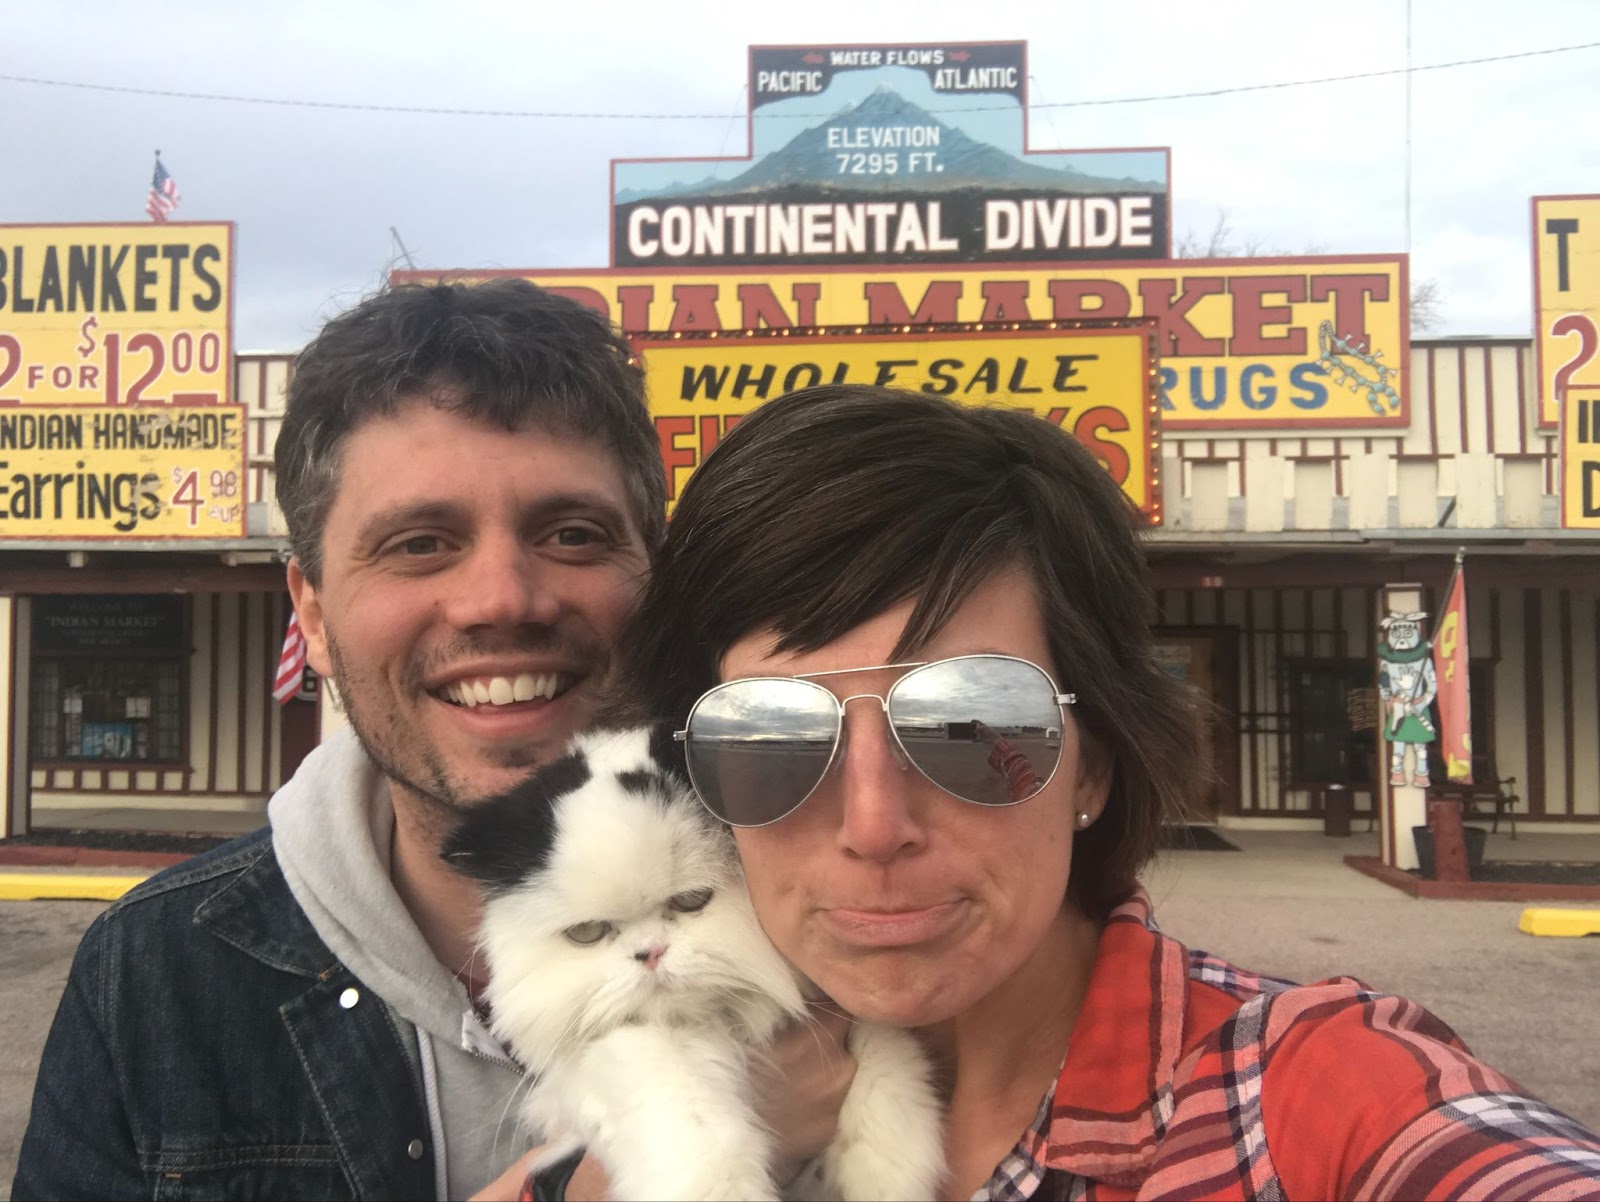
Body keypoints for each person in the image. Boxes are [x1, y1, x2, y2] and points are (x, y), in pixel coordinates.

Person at [572, 383, 1600, 1201]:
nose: (874, 824)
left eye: (973, 723)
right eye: (774, 735)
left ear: (1092, 760)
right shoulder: (643, 1106)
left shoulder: (1299, 1095)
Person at [11, 281, 852, 1201]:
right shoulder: (157, 977)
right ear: (314, 614)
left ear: (656, 575)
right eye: (419, 543)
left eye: (572, 534)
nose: (502, 598)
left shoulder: (848, 893)